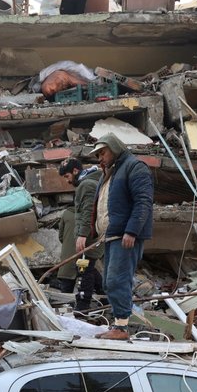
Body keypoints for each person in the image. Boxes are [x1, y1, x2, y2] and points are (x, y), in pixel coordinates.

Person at [86, 133, 154, 340]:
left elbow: (143, 201)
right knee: (109, 281)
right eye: (97, 154)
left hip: (125, 235)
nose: (99, 158)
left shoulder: (134, 167)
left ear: (114, 148)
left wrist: (131, 231)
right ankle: (119, 324)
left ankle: (122, 328)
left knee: (117, 280)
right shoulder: (111, 173)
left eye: (102, 153)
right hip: (112, 236)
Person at [57, 157, 103, 311]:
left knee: (84, 271)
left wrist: (82, 234)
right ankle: (105, 296)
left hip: (88, 238)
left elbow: (88, 211)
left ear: (75, 171)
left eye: (67, 176)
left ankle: (83, 308)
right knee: (88, 269)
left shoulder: (87, 185)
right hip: (90, 237)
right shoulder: (88, 183)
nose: (67, 181)